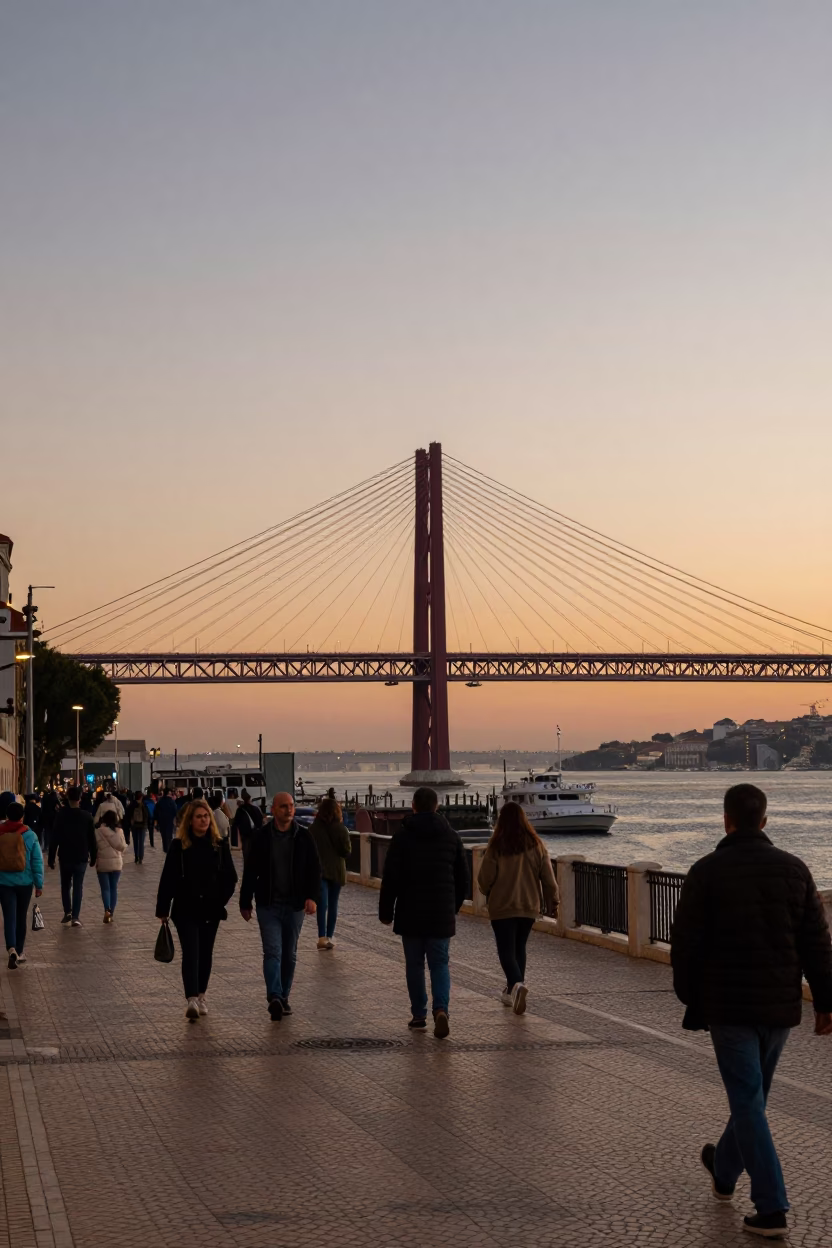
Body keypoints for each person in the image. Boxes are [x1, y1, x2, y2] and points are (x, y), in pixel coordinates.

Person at [671, 783, 832, 1240]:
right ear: (765, 821)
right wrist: (825, 1002)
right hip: (778, 1005)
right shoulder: (795, 870)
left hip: (728, 1005)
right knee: (752, 1100)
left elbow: (685, 942)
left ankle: (772, 1206)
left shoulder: (706, 871)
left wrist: (690, 995)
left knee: (747, 1101)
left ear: (726, 820)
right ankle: (724, 1170)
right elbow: (817, 944)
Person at [378, 786, 468, 1039]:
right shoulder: (451, 837)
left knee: (415, 965)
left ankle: (419, 1014)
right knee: (440, 964)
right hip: (440, 913)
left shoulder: (403, 837)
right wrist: (454, 906)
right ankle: (441, 1010)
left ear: (413, 806)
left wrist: (386, 911)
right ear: (436, 806)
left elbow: (391, 878)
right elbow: (463, 879)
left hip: (410, 912)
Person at [240, 792, 321, 1021]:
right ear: (273, 810)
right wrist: (245, 902)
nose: (289, 810)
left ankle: (284, 996)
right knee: (273, 951)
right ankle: (274, 996)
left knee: (290, 954)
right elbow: (251, 871)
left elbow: (315, 870)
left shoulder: (304, 837)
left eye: (292, 806)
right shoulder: (262, 838)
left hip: (295, 906)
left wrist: (312, 897)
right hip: (269, 904)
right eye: (284, 806)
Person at [155, 799, 238, 1020]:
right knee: (191, 952)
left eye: (205, 816)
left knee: (205, 953)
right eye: (198, 816)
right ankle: (191, 998)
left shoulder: (219, 845)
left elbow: (231, 878)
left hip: (211, 908)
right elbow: (168, 879)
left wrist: (221, 900)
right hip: (185, 908)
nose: (203, 820)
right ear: (190, 821)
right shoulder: (179, 846)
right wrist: (162, 909)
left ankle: (201, 995)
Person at [477, 801, 559, 1015]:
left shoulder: (496, 846)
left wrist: (487, 891)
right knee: (519, 948)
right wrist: (554, 901)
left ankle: (516, 985)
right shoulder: (537, 845)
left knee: (506, 950)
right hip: (528, 906)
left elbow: (484, 878)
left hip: (502, 906)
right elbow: (549, 880)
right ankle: (513, 991)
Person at [0, 800, 44, 968]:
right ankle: (19, 950)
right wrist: (39, 884)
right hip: (24, 882)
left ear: (6, 815)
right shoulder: (30, 835)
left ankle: (11, 947)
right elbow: (37, 862)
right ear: (22, 816)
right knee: (21, 917)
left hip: (3, 882)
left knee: (9, 916)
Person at [48, 785, 97, 926]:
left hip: (65, 856)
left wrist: (51, 858)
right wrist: (93, 856)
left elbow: (54, 837)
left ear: (67, 798)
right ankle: (76, 916)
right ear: (80, 799)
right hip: (81, 856)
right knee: (78, 886)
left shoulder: (61, 815)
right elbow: (92, 839)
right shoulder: (86, 816)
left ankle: (67, 911)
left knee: (65, 885)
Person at [309, 797, 351, 949]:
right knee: (333, 905)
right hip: (336, 871)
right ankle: (330, 936)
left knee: (322, 904)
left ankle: (321, 936)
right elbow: (346, 852)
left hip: (319, 872)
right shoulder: (341, 829)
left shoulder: (313, 829)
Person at [94, 809, 127, 922]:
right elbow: (123, 847)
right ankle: (111, 913)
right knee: (114, 888)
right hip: (117, 863)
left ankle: (106, 909)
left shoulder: (98, 831)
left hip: (102, 863)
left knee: (105, 889)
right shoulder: (119, 831)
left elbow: (95, 847)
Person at [232, 789, 263, 861]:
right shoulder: (256, 808)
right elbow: (260, 821)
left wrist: (235, 841)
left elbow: (236, 823)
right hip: (256, 834)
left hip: (245, 836)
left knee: (246, 855)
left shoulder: (240, 810)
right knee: (256, 855)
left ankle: (247, 870)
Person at [125, 791, 149, 863]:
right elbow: (147, 815)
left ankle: (136, 856)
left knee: (135, 841)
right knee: (141, 842)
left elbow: (127, 815)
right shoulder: (144, 804)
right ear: (141, 797)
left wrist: (129, 825)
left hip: (134, 825)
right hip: (142, 825)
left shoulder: (131, 805)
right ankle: (141, 857)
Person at [153, 788, 178, 853]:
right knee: (169, 835)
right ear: (169, 793)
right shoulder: (172, 801)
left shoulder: (160, 801)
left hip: (162, 821)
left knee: (164, 836)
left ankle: (165, 848)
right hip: (170, 821)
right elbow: (175, 811)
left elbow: (156, 812)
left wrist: (156, 821)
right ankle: (169, 848)